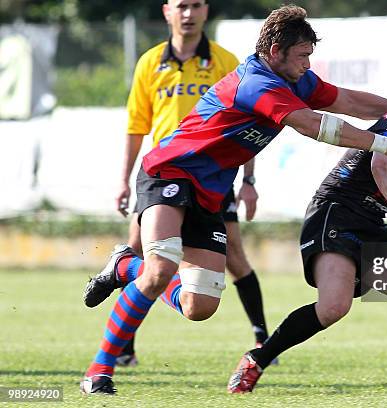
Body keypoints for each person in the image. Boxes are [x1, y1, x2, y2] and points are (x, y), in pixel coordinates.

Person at [79, 5, 387, 395]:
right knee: (161, 268)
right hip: (170, 172)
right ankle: (99, 371)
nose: (308, 64)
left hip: (211, 193)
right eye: (303, 56)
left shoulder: (295, 78)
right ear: (276, 51)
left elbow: (346, 100)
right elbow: (315, 125)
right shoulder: (256, 83)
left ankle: (127, 267)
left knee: (200, 307)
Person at [227, 77, 387, 395]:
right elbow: (382, 164)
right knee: (334, 307)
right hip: (335, 211)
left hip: (371, 222)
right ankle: (257, 360)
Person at [83, 0, 275, 369]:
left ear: (206, 11)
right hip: (163, 175)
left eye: (196, 5)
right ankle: (120, 350)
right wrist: (123, 180)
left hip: (213, 175)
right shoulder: (150, 62)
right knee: (144, 253)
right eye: (181, 6)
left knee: (234, 255)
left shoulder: (224, 60)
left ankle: (261, 337)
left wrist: (249, 179)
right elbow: (137, 125)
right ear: (166, 11)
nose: (188, 14)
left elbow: (249, 124)